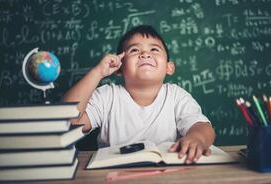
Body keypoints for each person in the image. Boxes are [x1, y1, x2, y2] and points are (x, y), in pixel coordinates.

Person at [62, 25, 215, 164]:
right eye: (134, 50)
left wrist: (196, 138)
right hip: (113, 175)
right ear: (119, 68)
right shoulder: (107, 96)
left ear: (169, 67)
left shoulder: (176, 95)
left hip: (166, 175)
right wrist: (98, 72)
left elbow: (202, 126)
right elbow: (68, 121)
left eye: (154, 49)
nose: (145, 54)